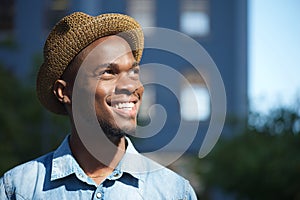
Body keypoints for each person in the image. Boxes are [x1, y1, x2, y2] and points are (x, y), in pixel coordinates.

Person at [0, 12, 197, 199]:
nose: (130, 86)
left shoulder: (174, 192)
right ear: (64, 92)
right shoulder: (19, 189)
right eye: (109, 73)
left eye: (134, 72)